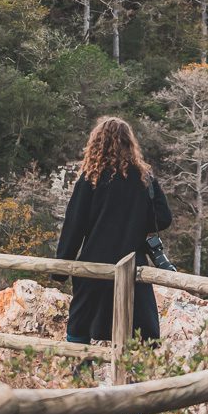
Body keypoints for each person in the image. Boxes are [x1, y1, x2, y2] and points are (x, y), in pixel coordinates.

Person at [57, 116, 172, 347]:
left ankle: (82, 379)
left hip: (94, 267)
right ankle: (135, 381)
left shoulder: (91, 178)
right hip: (133, 267)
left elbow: (74, 226)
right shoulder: (145, 178)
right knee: (142, 334)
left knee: (80, 328)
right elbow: (164, 218)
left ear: (96, 143)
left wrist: (61, 268)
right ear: (130, 143)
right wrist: (136, 223)